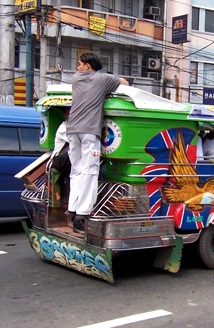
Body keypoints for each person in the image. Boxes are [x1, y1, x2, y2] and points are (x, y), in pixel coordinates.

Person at [66, 53, 129, 234]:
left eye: (80, 64)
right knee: (90, 172)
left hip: (72, 131)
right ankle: (82, 216)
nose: (77, 67)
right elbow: (124, 83)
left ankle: (72, 209)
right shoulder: (102, 79)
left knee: (75, 171)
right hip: (89, 131)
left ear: (87, 66)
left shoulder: (76, 79)